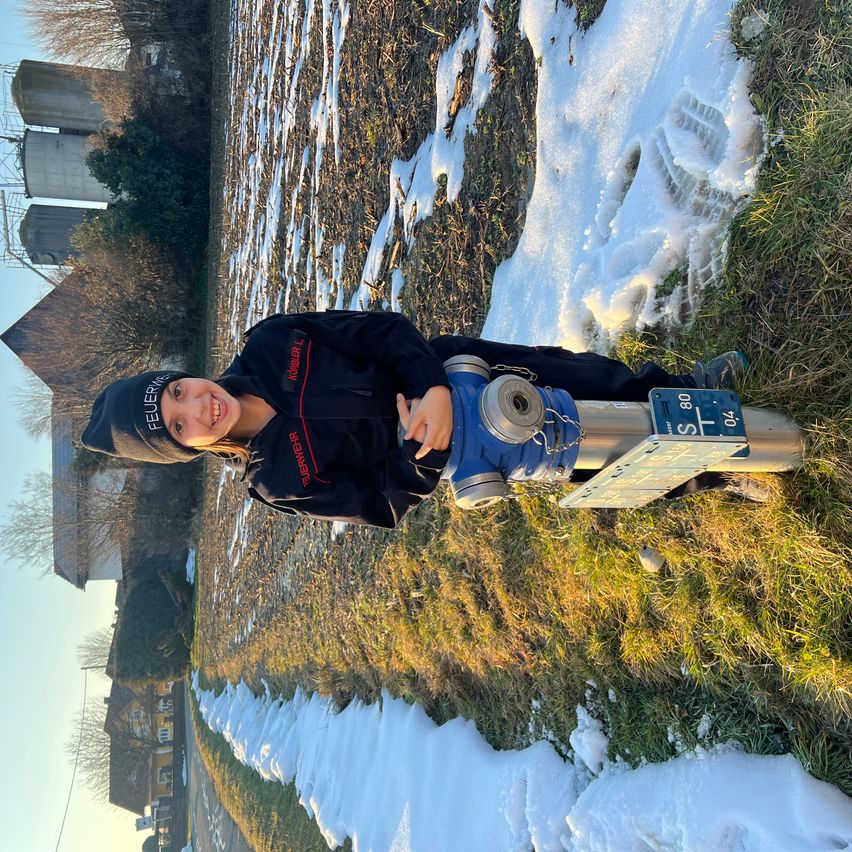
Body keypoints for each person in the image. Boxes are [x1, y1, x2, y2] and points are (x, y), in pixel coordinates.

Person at [81, 310, 751, 529]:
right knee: (582, 456)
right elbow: (380, 503)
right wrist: (420, 460)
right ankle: (714, 472)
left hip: (457, 372)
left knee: (585, 381)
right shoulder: (276, 480)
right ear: (188, 447)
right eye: (177, 424)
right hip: (462, 450)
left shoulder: (270, 342)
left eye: (178, 392)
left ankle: (691, 393)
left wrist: (428, 384)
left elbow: (379, 331)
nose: (197, 407)